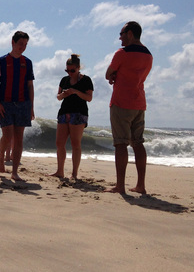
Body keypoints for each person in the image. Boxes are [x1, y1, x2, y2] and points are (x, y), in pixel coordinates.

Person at [105, 21, 153, 194]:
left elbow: (108, 73)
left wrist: (114, 76)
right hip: (139, 102)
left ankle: (120, 186)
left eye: (122, 33)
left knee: (120, 144)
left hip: (121, 102)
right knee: (138, 143)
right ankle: (141, 185)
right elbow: (138, 76)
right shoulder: (149, 55)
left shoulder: (122, 53)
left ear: (130, 34)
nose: (120, 37)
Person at [0, 31, 34, 181]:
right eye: (20, 44)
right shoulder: (1, 61)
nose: (22, 47)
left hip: (23, 103)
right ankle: (1, 157)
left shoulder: (27, 62)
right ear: (13, 42)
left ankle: (15, 171)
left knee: (19, 138)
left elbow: (30, 86)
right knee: (7, 135)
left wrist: (31, 106)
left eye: (25, 45)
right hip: (5, 103)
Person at [50, 54, 94, 180]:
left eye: (72, 70)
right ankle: (60, 171)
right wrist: (63, 95)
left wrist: (75, 92)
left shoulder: (86, 80)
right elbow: (58, 97)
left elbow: (89, 98)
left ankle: (74, 173)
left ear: (78, 68)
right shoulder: (64, 80)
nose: (70, 73)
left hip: (79, 113)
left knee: (75, 143)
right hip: (64, 112)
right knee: (59, 143)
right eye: (67, 70)